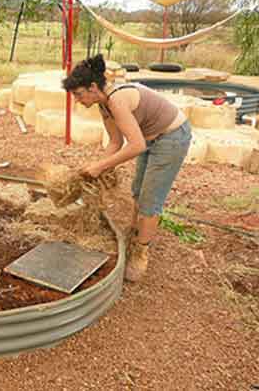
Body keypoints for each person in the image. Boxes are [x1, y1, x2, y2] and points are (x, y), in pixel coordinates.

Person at [62, 54, 192, 282]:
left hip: (171, 137)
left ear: (93, 87)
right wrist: (97, 169)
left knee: (150, 201)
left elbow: (136, 145)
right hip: (150, 138)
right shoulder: (103, 104)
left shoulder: (116, 100)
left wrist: (100, 166)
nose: (78, 100)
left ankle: (141, 251)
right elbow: (115, 142)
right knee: (138, 191)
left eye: (79, 94)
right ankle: (134, 234)